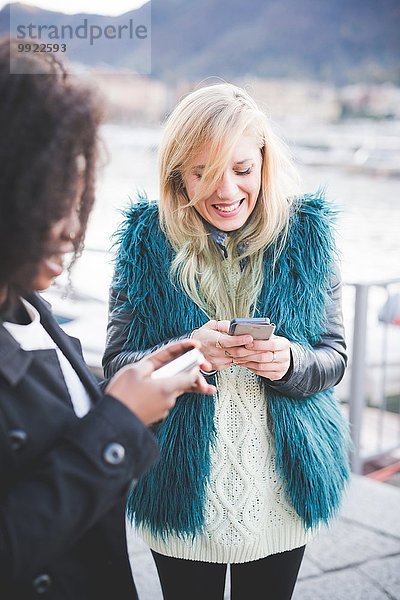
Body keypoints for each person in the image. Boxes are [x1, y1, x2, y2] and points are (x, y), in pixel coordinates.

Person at [103, 83, 350, 600]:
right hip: (180, 485)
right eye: (204, 173)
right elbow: (117, 365)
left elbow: (333, 357)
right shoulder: (144, 241)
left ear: (264, 163)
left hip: (284, 484)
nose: (227, 191)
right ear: (177, 174)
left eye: (242, 170)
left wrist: (288, 362)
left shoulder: (307, 235)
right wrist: (192, 354)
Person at [0, 39, 215, 600]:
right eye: (49, 200)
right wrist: (117, 423)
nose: (72, 228)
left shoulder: (31, 312)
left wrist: (129, 391)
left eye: (77, 198)